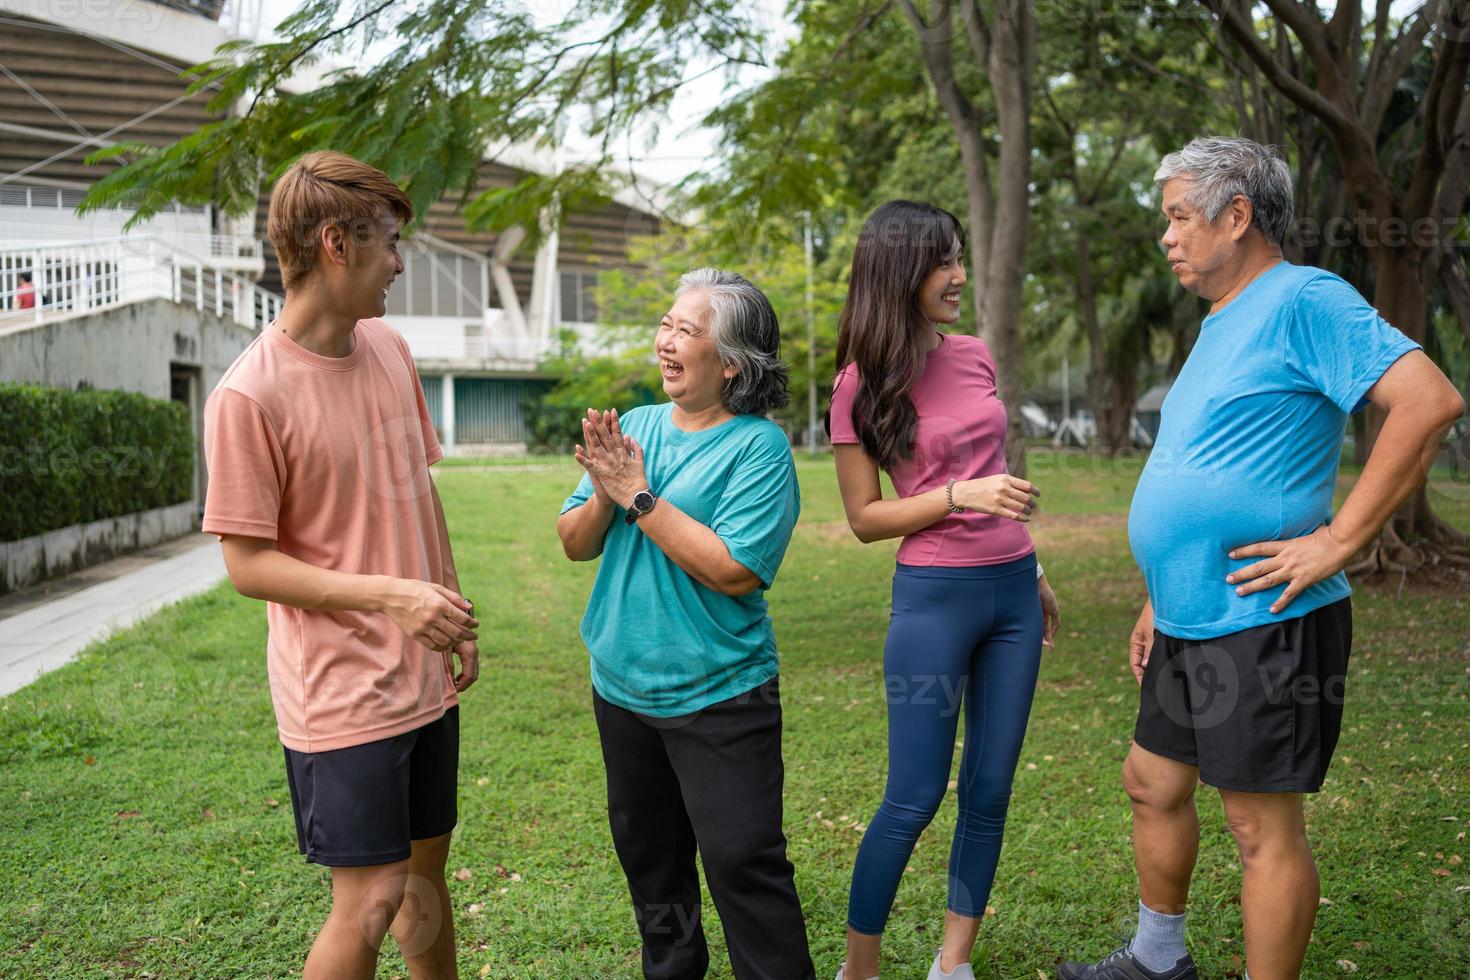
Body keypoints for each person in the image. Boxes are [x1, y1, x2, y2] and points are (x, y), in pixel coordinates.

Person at [1059, 137, 1465, 980]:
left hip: (1263, 614)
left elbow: (1427, 401)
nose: (1166, 236)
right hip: (1187, 611)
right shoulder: (1220, 320)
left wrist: (1340, 539)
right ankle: (1159, 958)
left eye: (1178, 216)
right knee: (1152, 782)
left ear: (1235, 215)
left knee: (1258, 829)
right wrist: (1158, 590)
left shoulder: (1303, 299)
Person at [202, 150, 480, 980]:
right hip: (340, 691)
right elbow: (248, 564)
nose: (399, 262)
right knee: (369, 902)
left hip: (422, 675)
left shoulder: (389, 348)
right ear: (336, 243)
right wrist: (392, 596)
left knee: (425, 883)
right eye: (390, 242)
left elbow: (417, 500)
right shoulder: (248, 396)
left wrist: (451, 611)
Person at [556, 268, 815, 980]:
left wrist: (636, 494)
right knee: (653, 866)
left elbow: (735, 569)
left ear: (729, 363)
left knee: (743, 865)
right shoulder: (633, 427)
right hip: (622, 689)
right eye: (666, 326)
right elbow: (576, 541)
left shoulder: (757, 449)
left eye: (686, 331)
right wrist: (609, 493)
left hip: (722, 696)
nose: (666, 341)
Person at [828, 200, 1061, 980]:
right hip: (933, 600)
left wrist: (1032, 569)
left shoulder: (975, 353)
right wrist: (961, 496)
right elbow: (864, 519)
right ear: (901, 272)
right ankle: (859, 969)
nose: (959, 276)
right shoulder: (858, 384)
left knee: (990, 787)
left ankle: (952, 963)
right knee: (915, 795)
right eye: (944, 262)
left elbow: (1000, 478)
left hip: (1013, 596)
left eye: (960, 258)